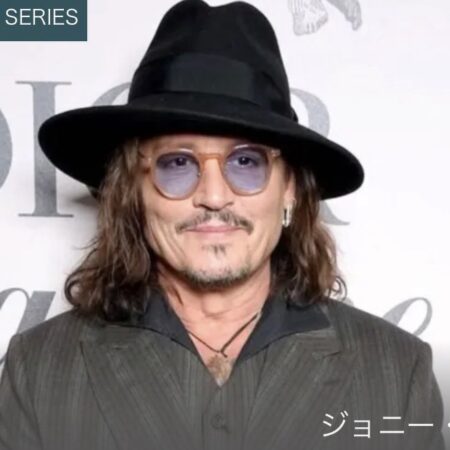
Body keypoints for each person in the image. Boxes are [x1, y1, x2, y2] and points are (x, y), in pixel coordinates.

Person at [0, 1, 445, 449]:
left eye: (247, 162)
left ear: (290, 189)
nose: (213, 196)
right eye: (177, 164)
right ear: (133, 191)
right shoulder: (39, 371)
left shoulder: (396, 373)